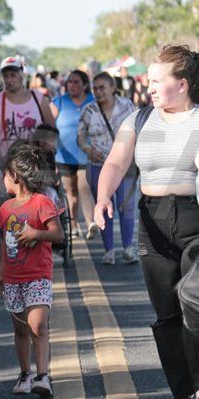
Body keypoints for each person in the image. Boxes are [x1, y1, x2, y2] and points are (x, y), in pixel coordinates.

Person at [93, 44, 199, 399]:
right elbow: (115, 163)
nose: (149, 87)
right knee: (167, 310)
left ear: (182, 84)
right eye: (149, 81)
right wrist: (103, 197)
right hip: (152, 221)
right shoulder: (138, 120)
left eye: (156, 81)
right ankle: (182, 388)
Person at [0, 144, 63, 398]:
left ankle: (42, 376)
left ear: (15, 177)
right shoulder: (5, 209)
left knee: (38, 326)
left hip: (38, 275)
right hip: (13, 278)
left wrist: (36, 233)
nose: (3, 179)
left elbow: (58, 234)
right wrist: (1, 273)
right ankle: (25, 374)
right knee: (21, 329)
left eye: (5, 175)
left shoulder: (41, 202)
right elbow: (4, 243)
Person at [78, 72, 139, 264]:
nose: (98, 92)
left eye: (102, 87)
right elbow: (80, 136)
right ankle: (109, 250)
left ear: (113, 87)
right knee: (103, 206)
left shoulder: (127, 106)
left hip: (124, 165)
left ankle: (128, 248)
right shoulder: (89, 110)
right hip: (98, 165)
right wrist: (87, 148)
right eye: (95, 88)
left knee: (126, 206)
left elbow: (138, 130)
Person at [0, 56, 55, 173]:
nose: (9, 79)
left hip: (37, 164)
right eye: (5, 76)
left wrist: (47, 150)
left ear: (22, 75)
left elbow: (51, 128)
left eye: (13, 75)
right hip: (8, 164)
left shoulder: (38, 98)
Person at [52, 69, 97, 239]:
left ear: (85, 85)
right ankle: (73, 225)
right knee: (70, 192)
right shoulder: (59, 102)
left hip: (87, 153)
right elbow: (48, 123)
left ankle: (90, 223)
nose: (72, 85)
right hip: (63, 155)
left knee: (84, 187)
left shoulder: (93, 101)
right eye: (69, 82)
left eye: (76, 82)